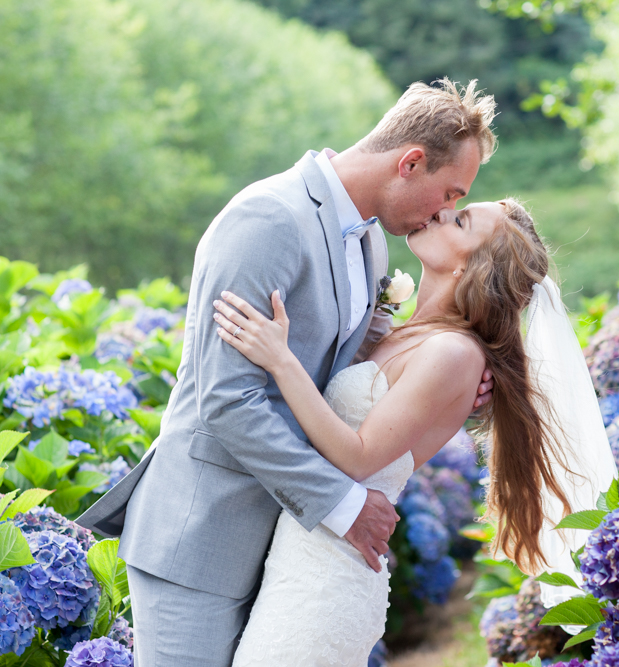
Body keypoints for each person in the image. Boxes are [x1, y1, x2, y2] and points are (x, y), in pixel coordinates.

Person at [77, 79, 499, 666]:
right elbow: (226, 399)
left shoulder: (372, 244)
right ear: (410, 162)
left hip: (289, 551)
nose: (445, 211)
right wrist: (341, 503)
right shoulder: (268, 218)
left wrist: (452, 387)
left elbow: (335, 379)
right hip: (205, 534)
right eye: (449, 192)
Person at [214, 199, 577, 664]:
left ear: (470, 264)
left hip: (329, 575)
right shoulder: (412, 333)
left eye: (461, 220)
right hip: (302, 549)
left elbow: (359, 456)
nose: (443, 212)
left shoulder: (453, 352)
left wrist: (280, 360)